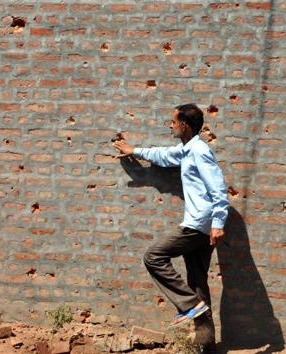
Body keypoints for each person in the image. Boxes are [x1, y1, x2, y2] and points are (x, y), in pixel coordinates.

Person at [113, 104, 228, 353]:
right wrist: (135, 151)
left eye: (173, 121)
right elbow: (164, 155)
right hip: (203, 224)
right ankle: (205, 344)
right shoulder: (187, 150)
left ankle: (189, 304)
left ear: (184, 124)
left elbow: (218, 188)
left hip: (199, 224)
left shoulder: (199, 151)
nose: (170, 125)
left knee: (153, 256)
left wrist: (218, 222)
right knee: (197, 280)